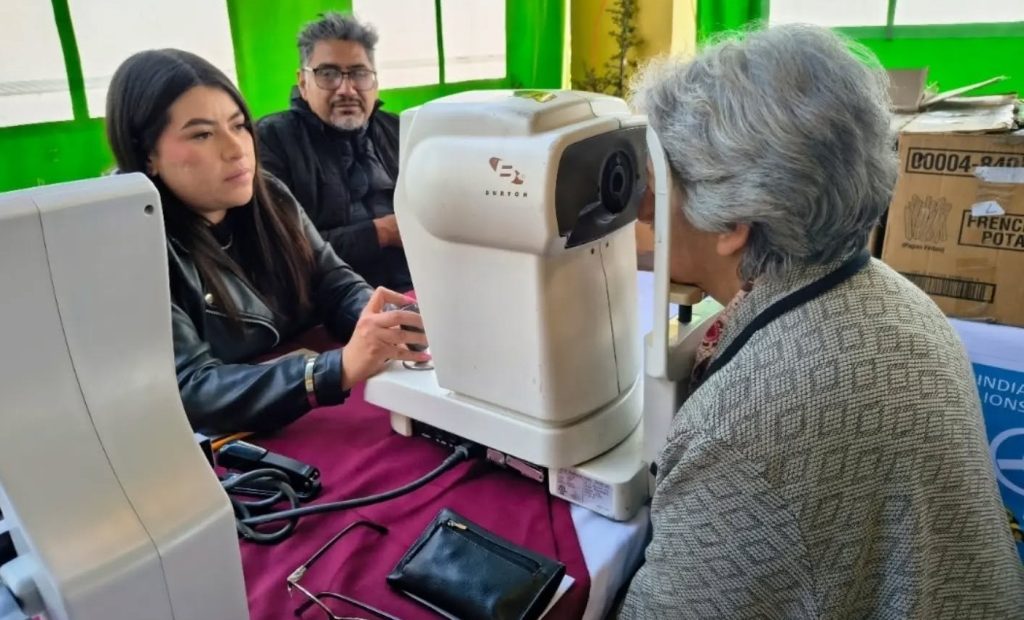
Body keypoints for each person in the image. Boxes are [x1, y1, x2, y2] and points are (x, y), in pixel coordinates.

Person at [621, 25, 1024, 618]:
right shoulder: (891, 294)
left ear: (733, 225)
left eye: (658, 183)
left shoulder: (741, 429)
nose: (643, 208)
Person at [105, 49, 429, 435]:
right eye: (202, 134)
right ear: (147, 155)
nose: (236, 148)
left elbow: (334, 283)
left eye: (239, 125)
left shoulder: (269, 195)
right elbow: (190, 389)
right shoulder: (127, 240)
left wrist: (383, 323)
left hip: (293, 406)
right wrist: (333, 369)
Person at [257, 12, 411, 292]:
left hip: (421, 284)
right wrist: (382, 232)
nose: (347, 89)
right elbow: (281, 250)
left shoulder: (401, 129)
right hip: (329, 301)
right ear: (303, 83)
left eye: (360, 74)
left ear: (375, 82)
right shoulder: (271, 140)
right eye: (328, 74)